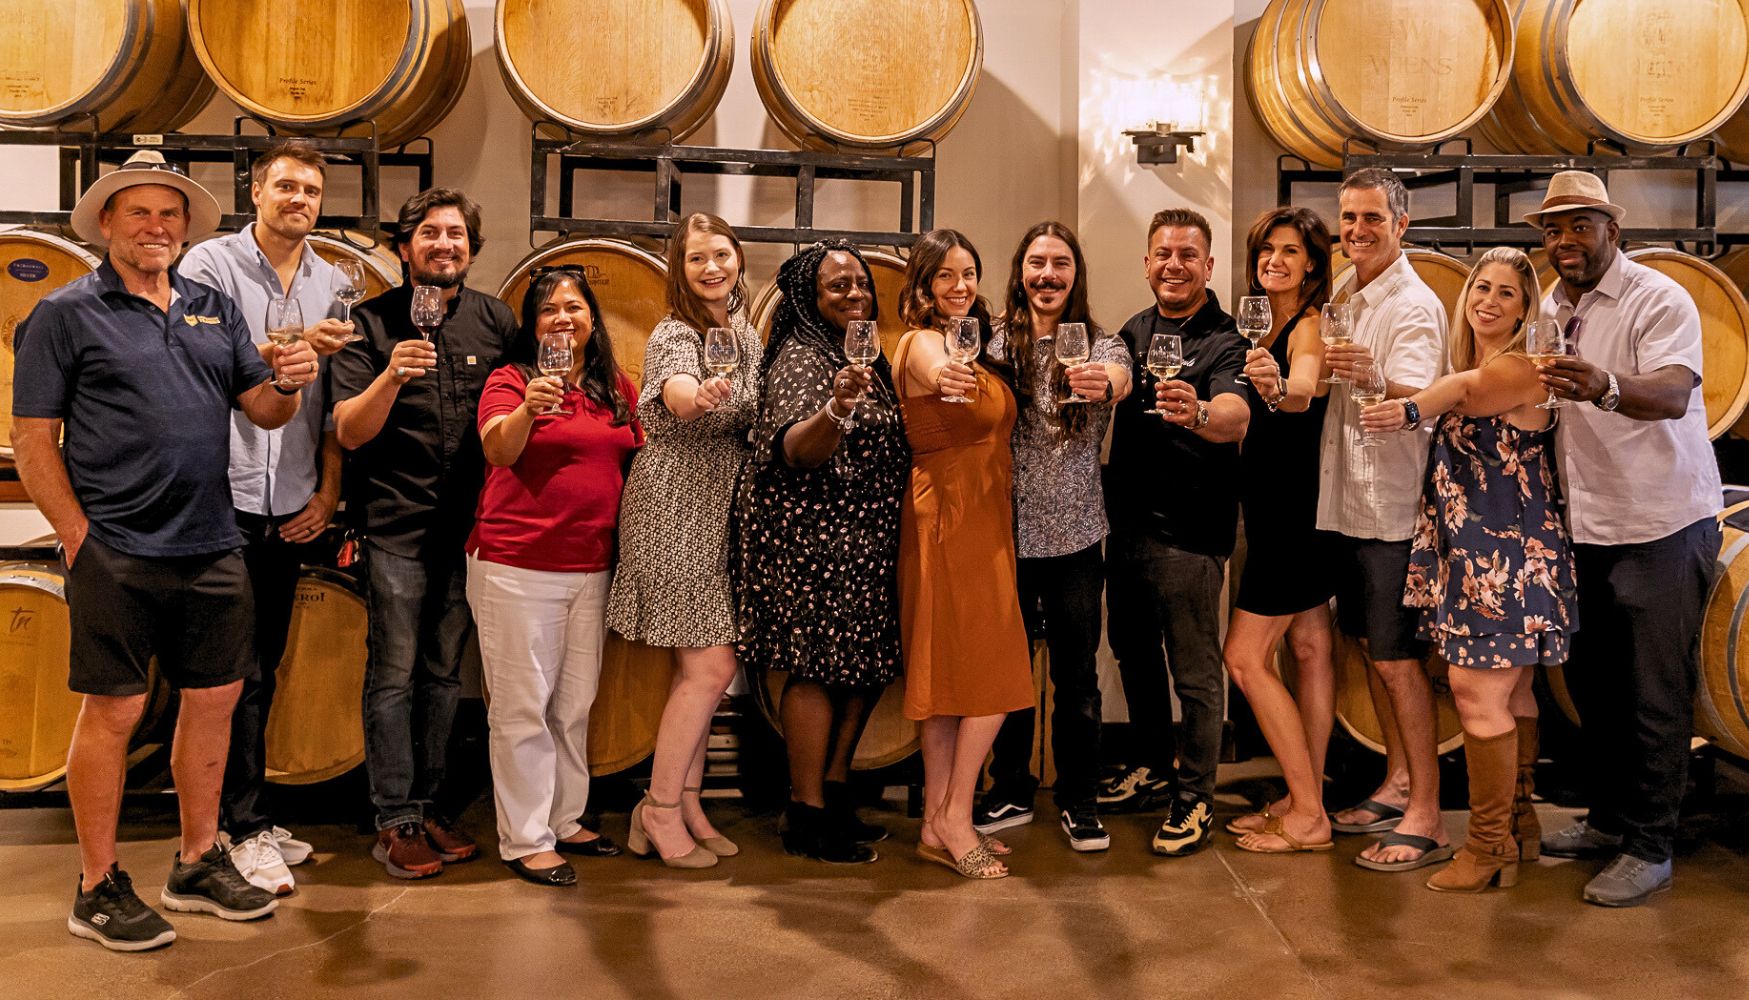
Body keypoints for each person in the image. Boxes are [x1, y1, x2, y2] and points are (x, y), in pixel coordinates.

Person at [12, 151, 313, 950]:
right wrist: (78, 536)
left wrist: (289, 381)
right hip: (115, 546)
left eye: (169, 214)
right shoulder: (66, 313)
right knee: (113, 712)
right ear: (106, 223)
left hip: (214, 542)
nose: (157, 227)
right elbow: (34, 439)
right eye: (139, 213)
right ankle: (97, 884)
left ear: (185, 228)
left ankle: (195, 859)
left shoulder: (212, 306)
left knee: (213, 703)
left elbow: (262, 410)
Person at [1527, 171, 1722, 907]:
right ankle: (1609, 820)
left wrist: (1602, 385)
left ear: (1613, 230)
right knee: (1594, 687)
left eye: (1579, 226)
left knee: (1652, 693)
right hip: (1590, 521)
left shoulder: (1656, 298)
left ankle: (1650, 844)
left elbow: (1671, 393)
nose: (1563, 241)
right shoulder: (1553, 303)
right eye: (1552, 229)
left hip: (1659, 521)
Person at [1362, 246, 1576, 891]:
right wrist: (1388, 384)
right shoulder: (1480, 370)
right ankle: (1517, 827)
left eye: (1507, 293)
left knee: (1475, 695)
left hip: (1505, 560)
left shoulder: (1524, 369)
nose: (1487, 300)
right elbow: (1448, 394)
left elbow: (1464, 393)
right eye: (1481, 287)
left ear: (1526, 309)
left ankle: (1485, 850)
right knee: (1511, 693)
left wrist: (1404, 409)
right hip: (1477, 555)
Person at [179, 140, 353, 895]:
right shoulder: (208, 267)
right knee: (226, 674)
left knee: (266, 665)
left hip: (291, 503)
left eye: (311, 190)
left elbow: (331, 406)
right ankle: (233, 829)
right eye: (286, 185)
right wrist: (285, 347)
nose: (299, 199)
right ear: (257, 190)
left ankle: (246, 816)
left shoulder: (334, 280)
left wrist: (326, 494)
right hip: (221, 496)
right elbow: (190, 363)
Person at [331, 188, 518, 879]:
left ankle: (431, 804)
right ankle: (394, 818)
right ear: (405, 247)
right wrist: (389, 376)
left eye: (457, 234)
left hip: (469, 531)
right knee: (393, 675)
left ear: (471, 247)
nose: (445, 244)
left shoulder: (495, 321)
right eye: (431, 234)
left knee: (444, 676)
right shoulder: (369, 324)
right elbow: (349, 430)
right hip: (396, 526)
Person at [734, 240, 912, 864]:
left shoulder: (862, 356)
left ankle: (834, 793)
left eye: (861, 283)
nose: (856, 294)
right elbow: (796, 451)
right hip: (812, 539)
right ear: (810, 298)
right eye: (838, 286)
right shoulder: (801, 358)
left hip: (865, 539)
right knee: (815, 670)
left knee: (863, 668)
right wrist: (836, 408)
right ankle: (804, 810)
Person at [466, 268, 642, 887]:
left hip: (590, 568)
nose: (563, 317)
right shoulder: (512, 381)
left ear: (593, 319)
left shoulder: (615, 387)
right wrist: (528, 412)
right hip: (517, 564)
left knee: (573, 705)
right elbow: (496, 451)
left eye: (574, 306)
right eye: (548, 309)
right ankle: (525, 838)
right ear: (532, 326)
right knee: (521, 708)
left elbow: (640, 458)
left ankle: (565, 819)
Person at [606, 213, 761, 869]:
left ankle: (689, 802)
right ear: (680, 268)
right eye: (696, 258)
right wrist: (696, 396)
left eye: (719, 254)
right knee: (711, 668)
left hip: (716, 504)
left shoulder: (743, 331)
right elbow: (674, 394)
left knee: (695, 670)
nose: (710, 268)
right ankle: (659, 809)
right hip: (674, 501)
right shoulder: (676, 331)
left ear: (737, 258)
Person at [974, 222, 1131, 852]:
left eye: (1059, 264)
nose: (1047, 275)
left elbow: (1119, 378)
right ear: (1020, 271)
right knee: (1008, 673)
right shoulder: (989, 345)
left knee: (1076, 675)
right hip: (1002, 534)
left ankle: (1080, 799)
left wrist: (1105, 382)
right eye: (1036, 262)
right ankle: (1010, 784)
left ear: (1076, 274)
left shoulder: (1103, 345)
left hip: (1074, 536)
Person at [1101, 208, 1249, 857]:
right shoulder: (1134, 330)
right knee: (1133, 656)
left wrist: (1199, 414)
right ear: (1146, 261)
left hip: (1189, 536)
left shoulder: (1226, 340)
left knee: (1193, 673)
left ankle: (1194, 798)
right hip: (1127, 528)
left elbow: (1236, 419)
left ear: (1208, 266)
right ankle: (1154, 769)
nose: (1173, 264)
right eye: (1162, 253)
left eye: (1187, 254)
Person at [1319, 168, 1451, 872]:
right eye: (1348, 218)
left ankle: (1426, 816)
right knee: (1372, 651)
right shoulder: (1347, 290)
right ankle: (1397, 782)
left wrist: (1376, 378)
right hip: (1352, 506)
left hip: (1392, 511)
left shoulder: (1414, 303)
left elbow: (1427, 393)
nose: (1356, 231)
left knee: (1399, 664)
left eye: (1371, 218)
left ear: (1401, 225)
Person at [893, 228, 1033, 879]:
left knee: (953, 679)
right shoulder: (925, 343)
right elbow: (930, 368)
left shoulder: (968, 341)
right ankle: (955, 815)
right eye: (945, 275)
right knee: (994, 677)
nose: (959, 285)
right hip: (949, 522)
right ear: (922, 286)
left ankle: (935, 821)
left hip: (979, 519)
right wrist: (949, 371)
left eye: (968, 273)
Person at [1223, 206, 1338, 855]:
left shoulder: (1307, 325)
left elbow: (1301, 390)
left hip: (1292, 520)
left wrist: (1275, 388)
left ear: (1311, 264)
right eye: (1267, 250)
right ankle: (1304, 799)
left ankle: (1309, 816)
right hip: (1286, 511)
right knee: (1311, 652)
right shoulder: (1268, 323)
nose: (1275, 260)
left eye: (1289, 251)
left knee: (1242, 657)